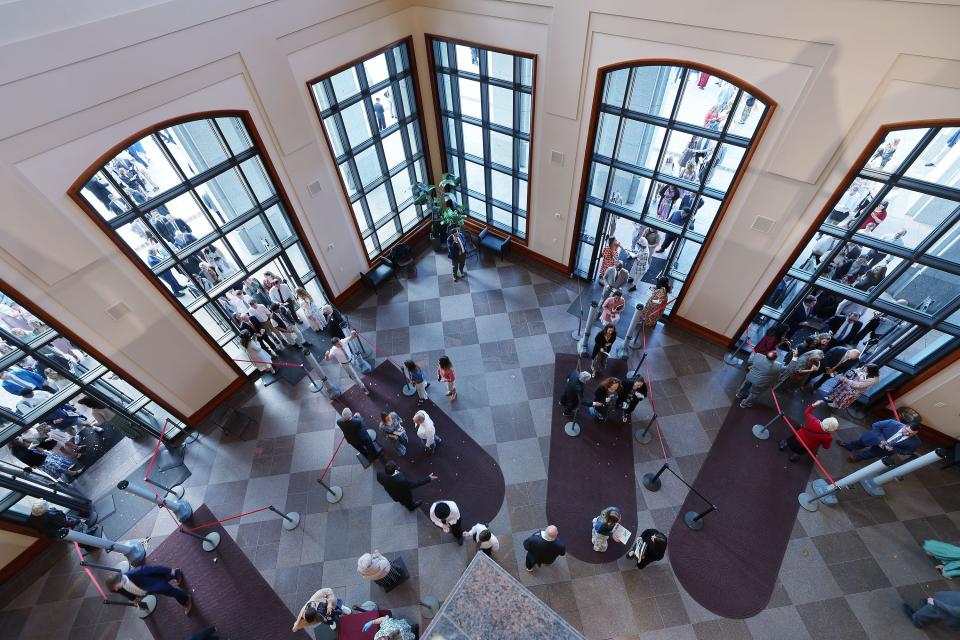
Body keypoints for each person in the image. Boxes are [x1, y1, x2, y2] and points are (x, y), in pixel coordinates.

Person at [106, 566, 192, 615]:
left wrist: (170, 570)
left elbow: (153, 569)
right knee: (167, 578)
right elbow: (126, 593)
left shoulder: (135, 573)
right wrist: (134, 600)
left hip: (154, 583)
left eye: (117, 587)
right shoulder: (118, 588)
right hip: (148, 589)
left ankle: (186, 600)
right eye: (115, 589)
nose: (117, 590)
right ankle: (176, 573)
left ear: (120, 579)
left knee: (171, 591)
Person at [839, 417, 921, 462]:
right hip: (874, 438)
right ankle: (849, 446)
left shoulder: (915, 442)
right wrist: (881, 439)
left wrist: (894, 449)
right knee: (860, 442)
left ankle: (857, 458)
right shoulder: (892, 423)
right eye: (907, 431)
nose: (907, 434)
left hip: (884, 450)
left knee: (870, 454)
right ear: (905, 426)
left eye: (911, 434)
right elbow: (875, 425)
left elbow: (908, 452)